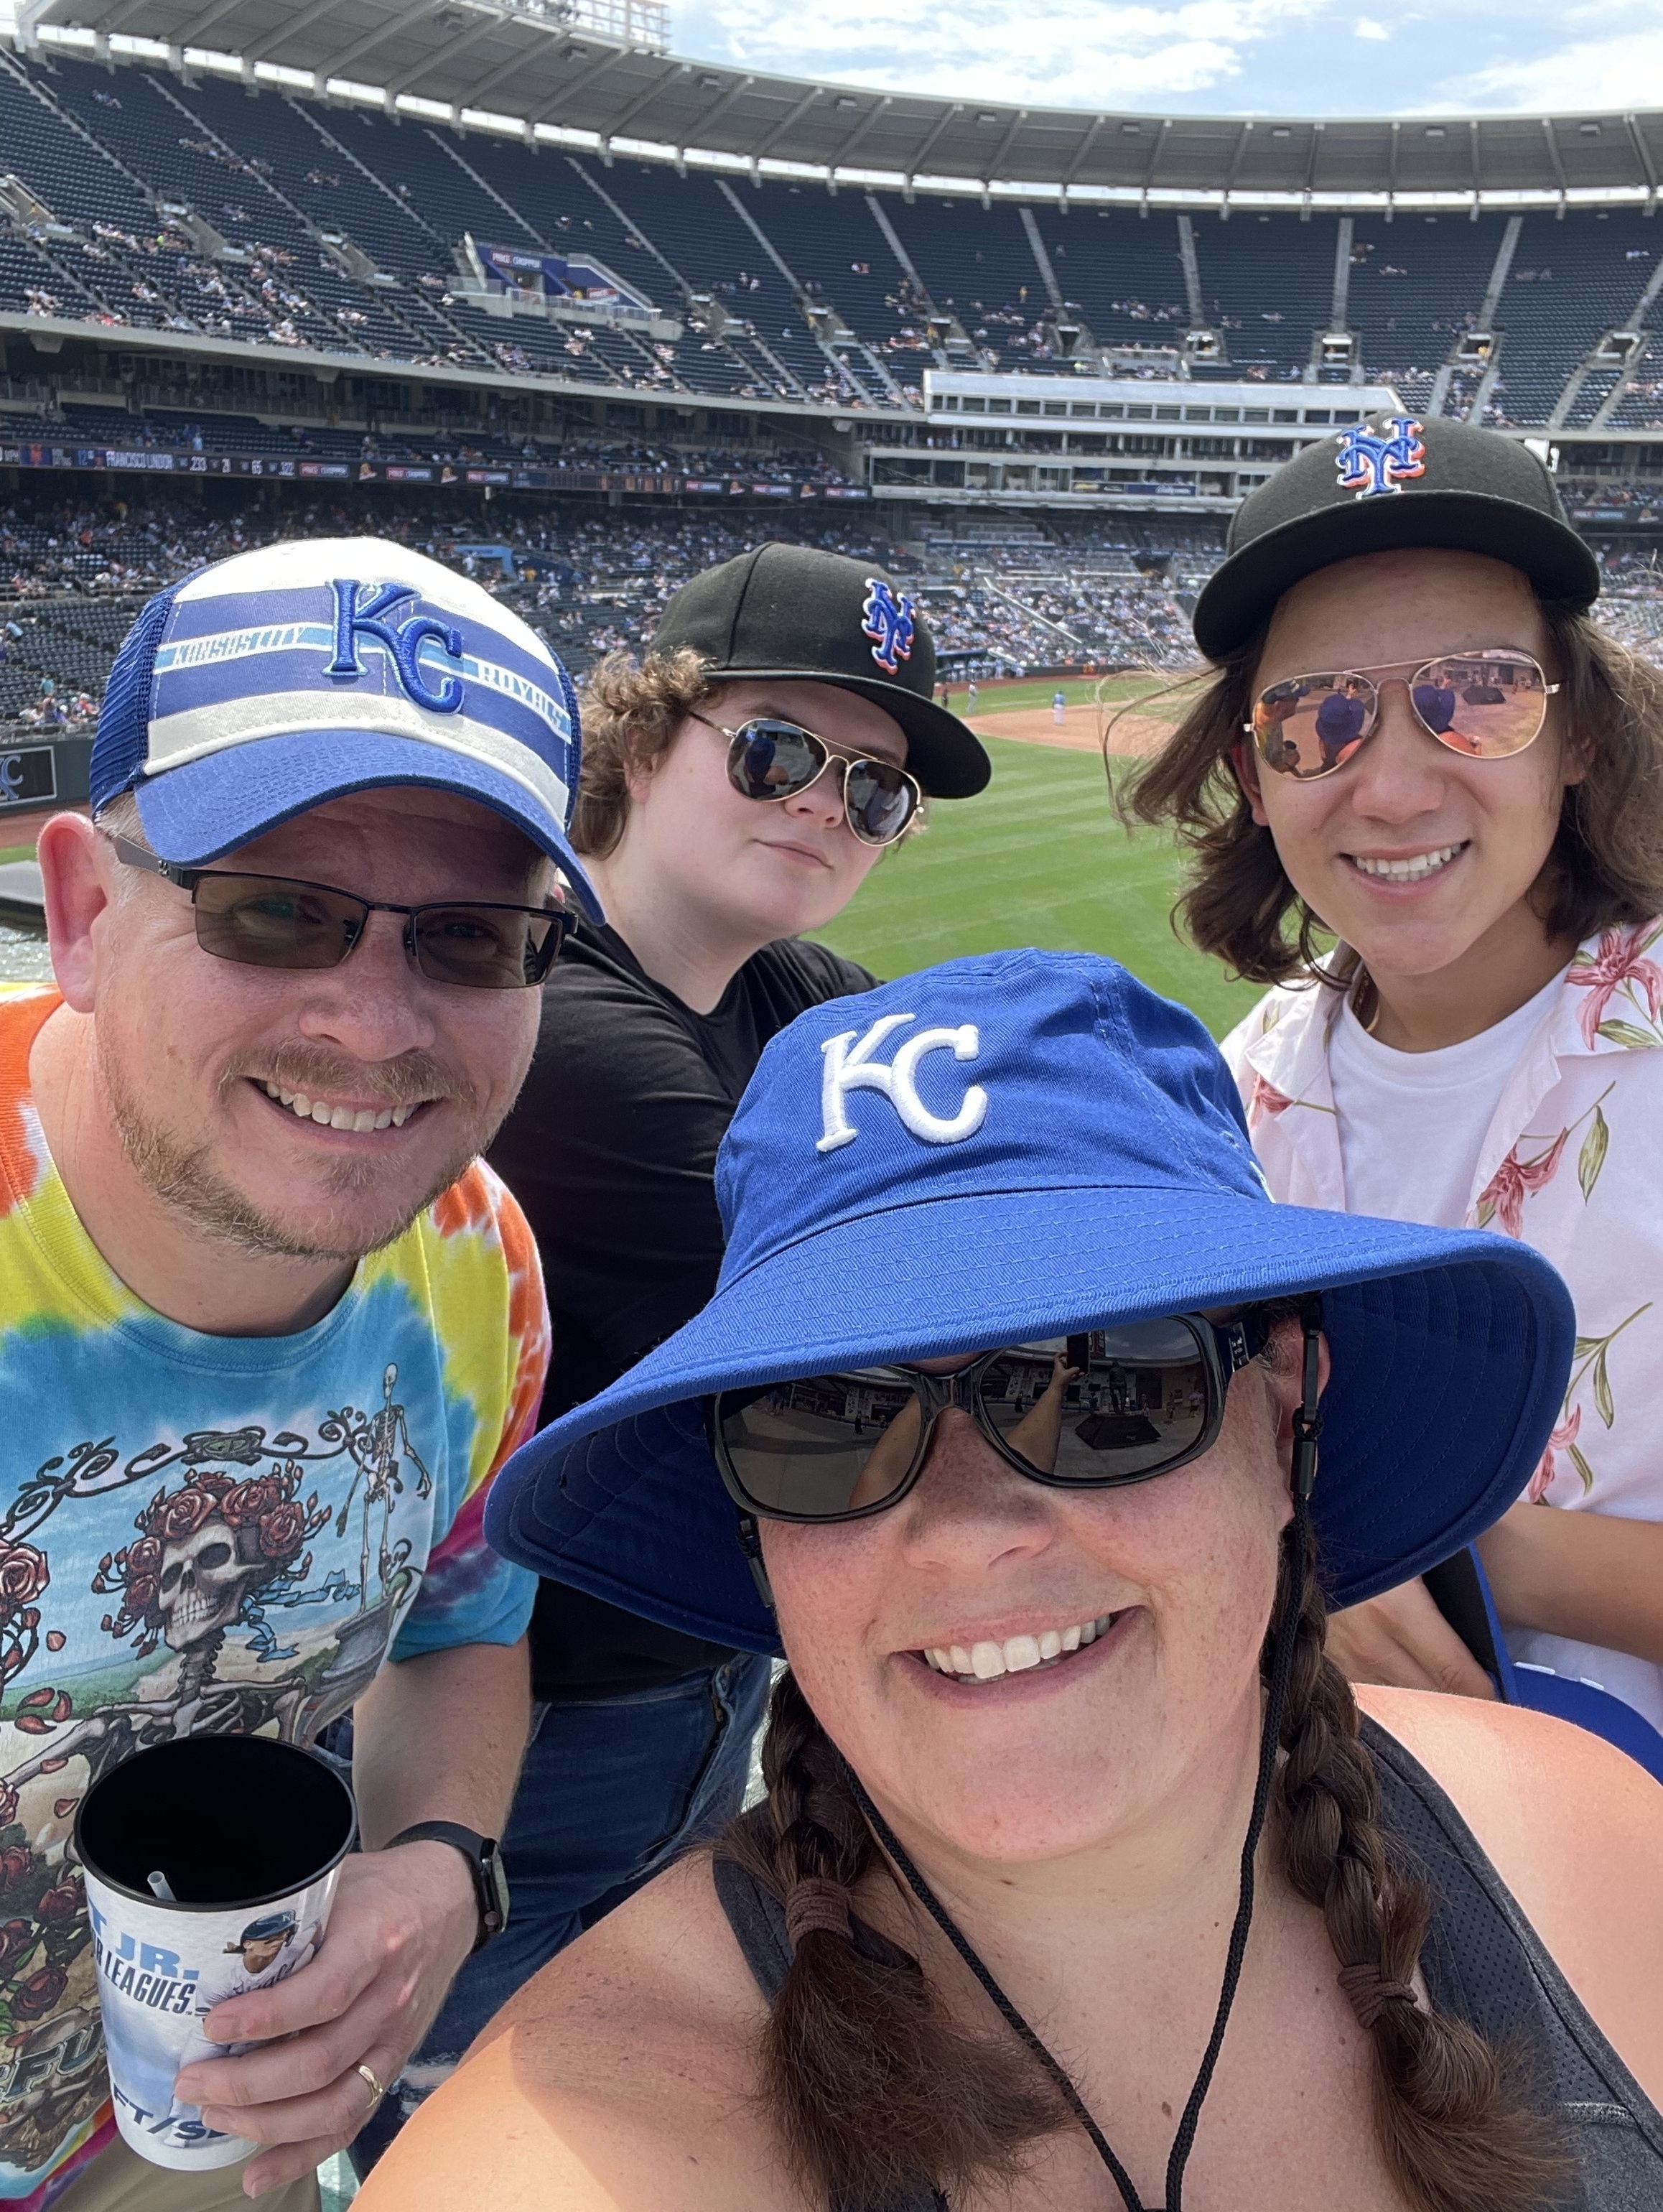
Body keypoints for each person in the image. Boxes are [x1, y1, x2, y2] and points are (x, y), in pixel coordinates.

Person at [358, 951, 1662, 2212]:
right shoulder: (574, 2152)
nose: (969, 1533)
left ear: (1282, 1415)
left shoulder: (1591, 1849)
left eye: (1105, 1389)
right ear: (750, 1524)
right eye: (828, 1416)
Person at [348, 544, 990, 2167]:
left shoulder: (790, 993)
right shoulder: (563, 1024)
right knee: (459, 2115)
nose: (830, 806)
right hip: (517, 1723)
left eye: (879, 789)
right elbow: (911, 1315)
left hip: (699, 1693)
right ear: (645, 744)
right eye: (780, 751)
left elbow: (969, 1165)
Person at [1, 536, 592, 2208]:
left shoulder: (481, 1266)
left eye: (473, 940)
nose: (375, 1021)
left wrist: (436, 1865)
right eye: (275, 908)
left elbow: (467, 1632)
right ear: (82, 913)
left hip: (184, 2144)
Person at [1127, 416, 1663, 1734]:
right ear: (1254, 776)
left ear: (1577, 734)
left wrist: (1416, 1545)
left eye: (1478, 696)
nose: (1393, 789)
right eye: (1319, 719)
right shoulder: (1229, 1099)